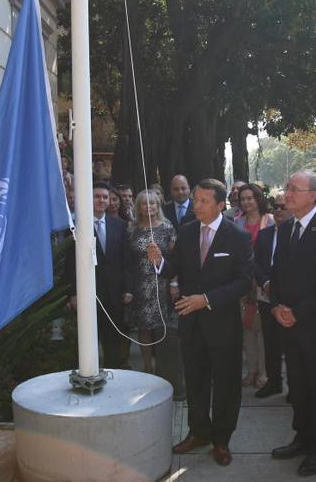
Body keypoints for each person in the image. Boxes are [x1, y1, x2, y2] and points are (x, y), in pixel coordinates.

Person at [147, 179, 253, 467]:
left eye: (203, 201)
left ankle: (221, 439)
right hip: (191, 323)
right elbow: (174, 268)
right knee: (195, 380)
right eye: (195, 200)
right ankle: (198, 432)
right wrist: (159, 262)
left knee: (226, 385)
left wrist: (205, 299)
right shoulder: (188, 231)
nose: (196, 205)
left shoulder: (238, 237)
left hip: (223, 324)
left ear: (221, 205)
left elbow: (243, 281)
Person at [269, 170, 316, 477]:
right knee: (297, 387)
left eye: (294, 189)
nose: (287, 194)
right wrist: (276, 306)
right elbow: (277, 274)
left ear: (313, 195)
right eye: (287, 188)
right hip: (288, 324)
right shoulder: (286, 228)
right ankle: (301, 436)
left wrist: (297, 312)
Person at [65, 182, 131, 369]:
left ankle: (113, 376)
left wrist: (128, 288)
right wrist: (73, 294)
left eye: (105, 197)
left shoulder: (120, 226)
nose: (102, 200)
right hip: (89, 294)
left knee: (113, 343)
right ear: (89, 199)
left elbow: (126, 260)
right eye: (97, 196)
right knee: (87, 342)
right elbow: (71, 264)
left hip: (115, 295)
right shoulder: (77, 226)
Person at [126, 189, 177, 374]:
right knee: (144, 327)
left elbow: (176, 258)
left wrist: (174, 283)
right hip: (140, 284)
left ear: (158, 206)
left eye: (153, 203)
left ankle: (164, 366)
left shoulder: (167, 226)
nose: (149, 206)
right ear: (138, 206)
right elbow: (127, 258)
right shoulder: (132, 228)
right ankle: (148, 366)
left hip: (161, 283)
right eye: (144, 203)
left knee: (162, 326)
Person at [235, 184, 275, 388]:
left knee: (263, 330)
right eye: (243, 199)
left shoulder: (269, 221)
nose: (246, 202)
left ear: (258, 199)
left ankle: (264, 373)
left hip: (262, 282)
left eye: (250, 198)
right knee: (247, 328)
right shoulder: (237, 222)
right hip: (243, 283)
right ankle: (251, 370)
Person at [252, 193, 290, 398]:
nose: (278, 210)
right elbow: (255, 262)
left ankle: (294, 387)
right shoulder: (265, 234)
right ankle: (273, 381)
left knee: (290, 344)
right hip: (266, 296)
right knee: (270, 342)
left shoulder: (295, 233)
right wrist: (265, 282)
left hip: (288, 299)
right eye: (275, 207)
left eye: (283, 207)